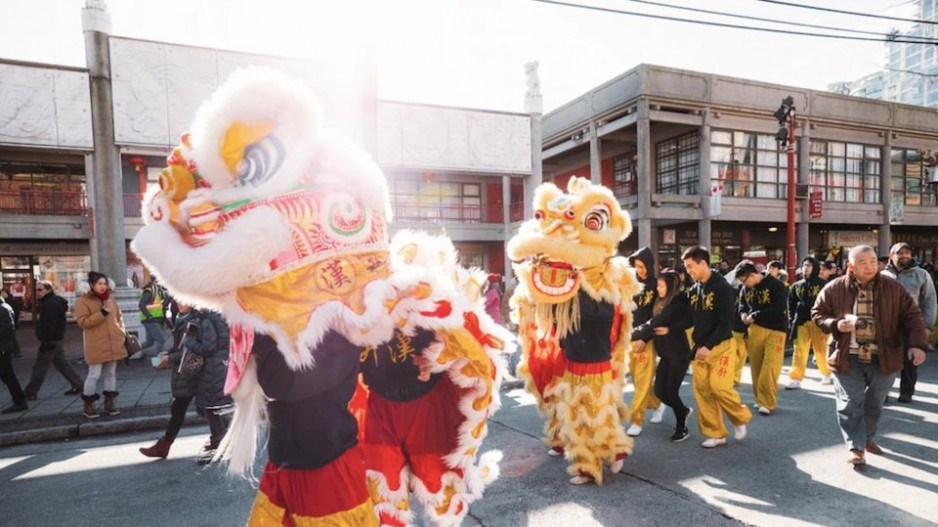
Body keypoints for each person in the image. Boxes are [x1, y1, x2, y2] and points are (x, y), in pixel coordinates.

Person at [812, 245, 928, 465]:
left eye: (873, 261)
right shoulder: (835, 287)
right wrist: (836, 324)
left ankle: (866, 437)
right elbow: (817, 313)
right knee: (851, 402)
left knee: (875, 402)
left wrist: (917, 345)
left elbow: (912, 316)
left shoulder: (893, 288)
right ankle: (856, 447)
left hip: (884, 355)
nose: (870, 266)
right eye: (863, 262)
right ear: (851, 266)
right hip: (847, 355)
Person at [140, 303, 232, 464]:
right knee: (197, 407)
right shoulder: (187, 318)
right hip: (198, 370)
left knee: (203, 407)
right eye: (177, 299)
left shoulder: (196, 320)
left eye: (183, 300)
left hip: (196, 370)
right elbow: (182, 346)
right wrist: (168, 353)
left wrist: (170, 358)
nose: (178, 303)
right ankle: (221, 438)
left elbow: (192, 347)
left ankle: (222, 440)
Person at [682, 246, 752, 448]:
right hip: (700, 348)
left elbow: (725, 323)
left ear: (703, 263)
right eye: (686, 267)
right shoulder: (694, 290)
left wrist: (710, 346)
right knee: (703, 391)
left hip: (721, 346)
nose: (688, 271)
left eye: (690, 266)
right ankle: (716, 433)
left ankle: (740, 418)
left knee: (719, 387)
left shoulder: (722, 288)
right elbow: (688, 318)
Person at [633, 270, 694, 442]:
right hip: (666, 354)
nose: (658, 289)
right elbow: (653, 323)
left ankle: (682, 426)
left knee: (671, 392)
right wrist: (644, 335)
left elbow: (662, 320)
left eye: (661, 286)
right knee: (660, 391)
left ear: (670, 286)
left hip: (678, 353)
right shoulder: (659, 301)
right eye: (658, 285)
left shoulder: (678, 300)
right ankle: (683, 410)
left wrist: (631, 335)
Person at [881, 242, 937, 403]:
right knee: (885, 360)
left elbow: (930, 301)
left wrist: (927, 326)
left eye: (907, 253)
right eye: (900, 253)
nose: (905, 255)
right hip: (887, 325)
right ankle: (882, 392)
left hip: (912, 325)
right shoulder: (883, 276)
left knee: (910, 362)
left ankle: (907, 392)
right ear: (892, 256)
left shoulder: (922, 274)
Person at [736, 260, 789, 416]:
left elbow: (778, 308)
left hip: (776, 329)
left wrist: (754, 315)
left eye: (745, 280)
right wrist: (743, 314)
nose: (745, 284)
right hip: (755, 329)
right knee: (756, 367)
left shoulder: (777, 285)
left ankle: (768, 402)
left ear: (752, 275)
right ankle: (759, 399)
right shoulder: (745, 288)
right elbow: (742, 305)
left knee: (770, 366)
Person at [74, 272, 128, 419]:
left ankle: (109, 404)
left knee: (111, 373)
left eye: (104, 283)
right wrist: (102, 312)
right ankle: (88, 405)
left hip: (114, 342)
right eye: (99, 284)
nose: (103, 286)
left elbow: (119, 317)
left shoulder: (111, 299)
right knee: (94, 374)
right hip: (96, 343)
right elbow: (83, 322)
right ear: (91, 285)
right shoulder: (82, 301)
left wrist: (121, 332)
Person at [627, 246, 665, 436]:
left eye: (642, 266)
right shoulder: (631, 284)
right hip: (630, 338)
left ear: (650, 265)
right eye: (637, 266)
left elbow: (657, 315)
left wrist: (645, 337)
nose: (639, 270)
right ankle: (658, 402)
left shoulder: (657, 284)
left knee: (642, 380)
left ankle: (637, 420)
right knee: (636, 380)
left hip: (646, 339)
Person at [23, 281, 83, 400]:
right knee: (61, 363)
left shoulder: (51, 304)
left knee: (40, 366)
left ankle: (30, 391)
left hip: (51, 340)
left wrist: (45, 338)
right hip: (55, 338)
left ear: (48, 290)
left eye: (40, 290)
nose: (37, 293)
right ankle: (78, 384)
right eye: (36, 290)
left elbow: (50, 324)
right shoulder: (52, 302)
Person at [787, 257, 834, 389]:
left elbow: (830, 304)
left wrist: (827, 321)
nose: (806, 268)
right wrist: (791, 319)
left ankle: (826, 373)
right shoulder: (797, 285)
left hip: (818, 322)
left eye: (809, 265)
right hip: (801, 321)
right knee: (799, 350)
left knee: (821, 350)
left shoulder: (823, 285)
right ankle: (795, 378)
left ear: (815, 268)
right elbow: (790, 303)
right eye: (804, 265)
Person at [1, 293, 27, 413]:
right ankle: (19, 401)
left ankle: (20, 401)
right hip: (4, 347)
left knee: (8, 375)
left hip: (3, 348)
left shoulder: (2, 309)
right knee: (7, 375)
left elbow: (7, 329)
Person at [135, 275, 168, 360]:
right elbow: (141, 305)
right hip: (150, 320)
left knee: (150, 342)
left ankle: (129, 351)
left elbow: (159, 306)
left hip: (151, 320)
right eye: (158, 281)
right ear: (153, 282)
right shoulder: (149, 291)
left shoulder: (156, 291)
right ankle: (156, 360)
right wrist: (149, 316)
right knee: (161, 340)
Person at [0, 288, 21, 357]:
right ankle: (15, 351)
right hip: (9, 324)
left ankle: (15, 351)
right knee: (11, 338)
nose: (3, 294)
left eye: (4, 293)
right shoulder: (6, 304)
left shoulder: (8, 303)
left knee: (10, 338)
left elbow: (15, 311)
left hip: (8, 324)